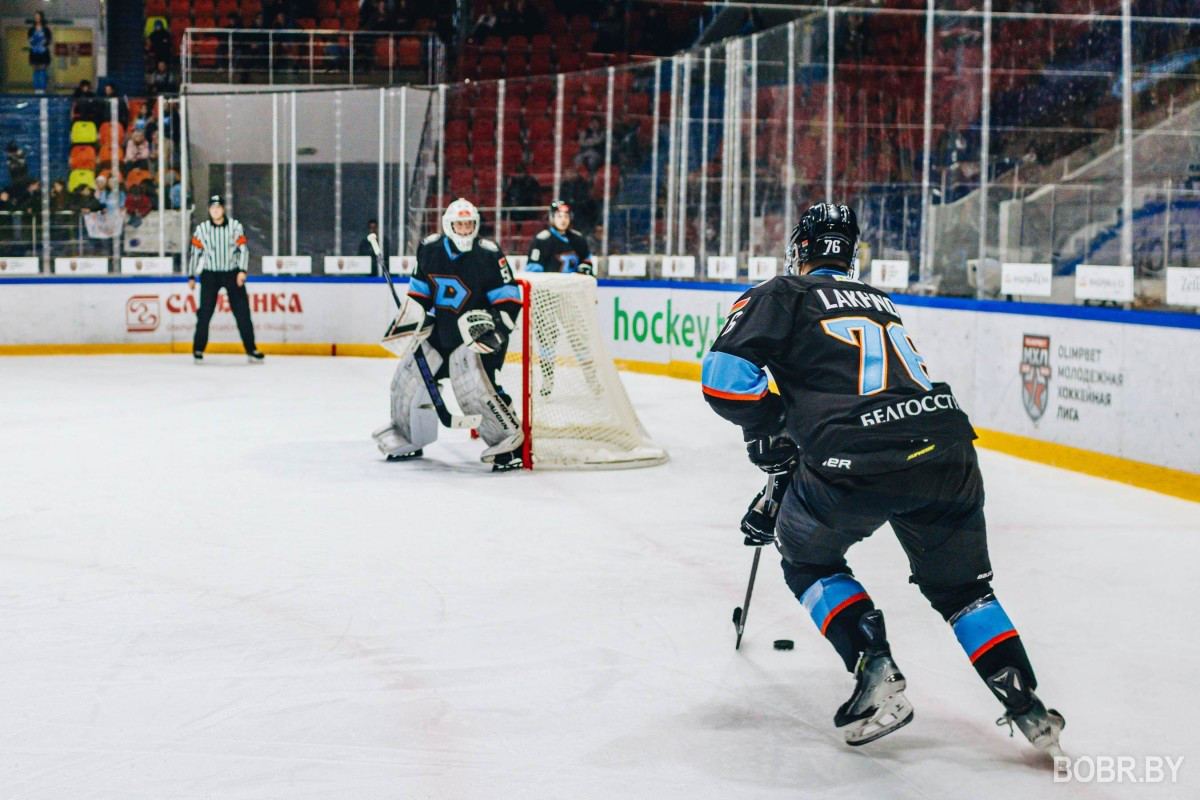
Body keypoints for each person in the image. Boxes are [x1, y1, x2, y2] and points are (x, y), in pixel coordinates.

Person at [701, 203, 1064, 753]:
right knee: (964, 591)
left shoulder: (781, 292)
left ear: (800, 249)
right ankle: (1025, 703)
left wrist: (782, 429)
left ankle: (875, 665)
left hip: (857, 458)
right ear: (851, 254)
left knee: (806, 559)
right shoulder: (880, 302)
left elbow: (725, 382)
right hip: (946, 449)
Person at [372, 198, 524, 470]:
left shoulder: (489, 253)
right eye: (459, 224)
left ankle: (509, 444)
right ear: (448, 225)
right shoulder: (430, 249)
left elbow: (509, 300)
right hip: (441, 331)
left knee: (476, 390)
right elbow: (419, 295)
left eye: (469, 224)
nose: (464, 230)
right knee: (408, 377)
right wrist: (411, 318)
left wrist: (498, 333)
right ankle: (408, 434)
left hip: (477, 337)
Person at [188, 194, 263, 363]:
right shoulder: (202, 229)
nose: (215, 210)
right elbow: (195, 254)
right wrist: (191, 275)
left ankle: (252, 349)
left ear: (223, 209)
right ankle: (198, 349)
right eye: (212, 208)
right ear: (209, 210)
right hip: (210, 274)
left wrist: (242, 271)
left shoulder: (235, 227)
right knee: (205, 313)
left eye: (218, 207)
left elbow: (243, 250)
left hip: (231, 273)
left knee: (242, 312)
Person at [526, 201, 593, 275]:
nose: (563, 220)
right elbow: (533, 269)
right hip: (550, 285)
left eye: (566, 216)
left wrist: (583, 269)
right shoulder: (541, 240)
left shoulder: (578, 239)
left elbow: (586, 261)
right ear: (552, 217)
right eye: (559, 216)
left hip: (573, 285)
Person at [27, 11, 52, 93]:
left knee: (42, 69)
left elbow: (49, 40)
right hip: (34, 52)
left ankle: (42, 89)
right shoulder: (31, 29)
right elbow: (29, 40)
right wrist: (35, 44)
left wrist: (43, 44)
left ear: (41, 17)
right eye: (35, 16)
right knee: (35, 69)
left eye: (38, 16)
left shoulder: (46, 29)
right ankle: (36, 89)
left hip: (43, 52)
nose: (37, 18)